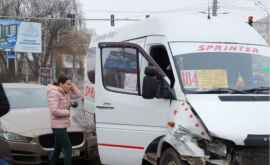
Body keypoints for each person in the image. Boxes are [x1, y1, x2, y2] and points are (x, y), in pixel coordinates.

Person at [47, 75, 81, 165]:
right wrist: (67, 112)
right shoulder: (53, 93)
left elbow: (79, 95)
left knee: (57, 149)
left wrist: (72, 85)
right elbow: (54, 111)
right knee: (68, 148)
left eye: (70, 84)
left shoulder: (66, 92)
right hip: (57, 126)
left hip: (63, 125)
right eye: (67, 84)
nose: (69, 86)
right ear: (61, 84)